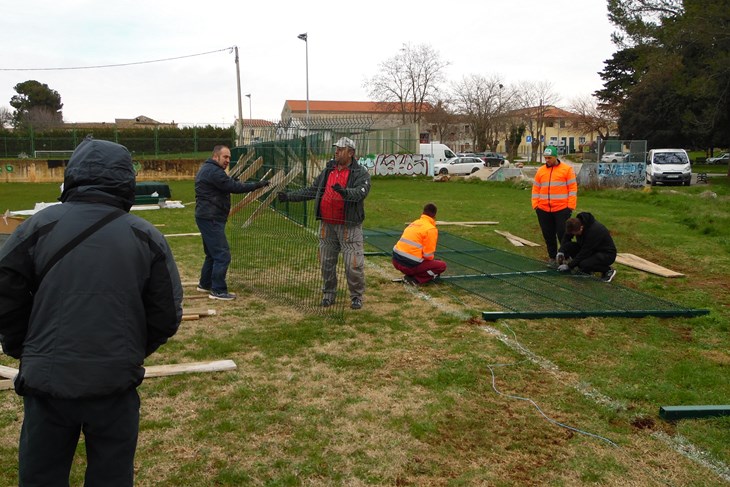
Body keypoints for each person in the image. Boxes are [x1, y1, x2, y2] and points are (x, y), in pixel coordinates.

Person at [0, 136, 183, 486]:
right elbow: (166, 315)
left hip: (50, 379)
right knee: (111, 476)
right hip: (110, 380)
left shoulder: (38, 227)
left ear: (73, 176)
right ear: (127, 181)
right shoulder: (146, 236)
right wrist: (128, 350)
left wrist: (24, 347)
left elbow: (5, 296)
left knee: (41, 476)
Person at [277, 137, 371, 310]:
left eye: (341, 149)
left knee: (353, 264)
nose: (336, 151)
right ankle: (328, 294)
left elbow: (360, 193)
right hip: (327, 225)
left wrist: (344, 192)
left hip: (348, 226)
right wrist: (289, 196)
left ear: (351, 153)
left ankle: (356, 296)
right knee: (326, 262)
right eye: (336, 148)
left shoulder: (360, 173)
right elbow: (313, 190)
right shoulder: (328, 170)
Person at [195, 144, 269, 300]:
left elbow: (223, 185)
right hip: (211, 217)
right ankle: (218, 290)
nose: (228, 160)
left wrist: (230, 182)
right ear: (216, 156)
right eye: (225, 157)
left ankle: (205, 284)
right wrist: (257, 185)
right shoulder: (214, 171)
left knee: (212, 253)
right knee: (222, 255)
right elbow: (233, 187)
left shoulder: (209, 169)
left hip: (207, 215)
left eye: (229, 157)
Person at [532, 145, 578, 267]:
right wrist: (535, 205)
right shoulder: (540, 171)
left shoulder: (567, 170)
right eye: (545, 158)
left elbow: (572, 189)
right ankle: (552, 257)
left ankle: (566, 257)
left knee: (563, 234)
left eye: (549, 158)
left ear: (555, 157)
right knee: (548, 234)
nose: (547, 160)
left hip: (562, 209)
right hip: (543, 209)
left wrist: (570, 206)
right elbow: (536, 188)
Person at [392, 203, 447, 284]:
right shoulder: (430, 229)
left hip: (396, 261)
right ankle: (416, 279)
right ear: (434, 216)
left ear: (423, 213)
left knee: (430, 262)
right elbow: (428, 256)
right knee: (441, 266)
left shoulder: (414, 223)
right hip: (409, 266)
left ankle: (413, 274)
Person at [556, 212, 617, 282]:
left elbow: (585, 252)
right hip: (591, 250)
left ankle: (608, 270)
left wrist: (569, 266)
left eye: (576, 234)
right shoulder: (573, 224)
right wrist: (561, 251)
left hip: (606, 254)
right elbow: (566, 237)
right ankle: (587, 270)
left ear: (581, 228)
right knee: (568, 246)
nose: (574, 235)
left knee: (584, 264)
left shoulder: (594, 231)